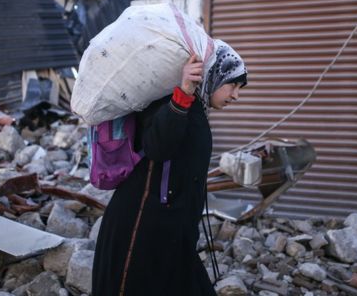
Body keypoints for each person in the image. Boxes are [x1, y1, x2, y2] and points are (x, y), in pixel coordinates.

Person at [91, 41, 247, 296]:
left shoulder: (196, 109)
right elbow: (158, 147)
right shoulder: (171, 101)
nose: (236, 95)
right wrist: (183, 94)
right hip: (141, 231)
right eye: (232, 84)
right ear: (213, 75)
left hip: (173, 231)